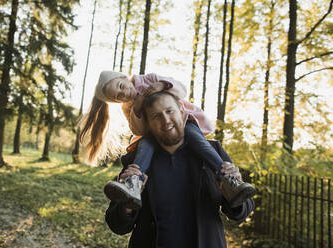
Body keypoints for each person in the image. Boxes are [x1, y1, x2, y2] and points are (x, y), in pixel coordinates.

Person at [79, 71, 255, 209]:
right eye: (118, 96)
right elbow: (137, 130)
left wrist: (162, 85)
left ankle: (228, 180)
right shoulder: (129, 107)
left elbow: (180, 89)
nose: (124, 93)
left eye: (121, 86)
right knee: (145, 146)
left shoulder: (148, 79)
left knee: (195, 138)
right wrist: (137, 111)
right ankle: (133, 183)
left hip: (184, 121)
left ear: (124, 77)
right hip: (152, 135)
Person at [105, 91, 255, 248]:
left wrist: (233, 195)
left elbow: (243, 210)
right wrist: (126, 206)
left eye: (169, 111)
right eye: (156, 116)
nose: (166, 120)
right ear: (148, 124)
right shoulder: (136, 161)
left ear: (183, 112)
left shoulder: (213, 153)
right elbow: (116, 224)